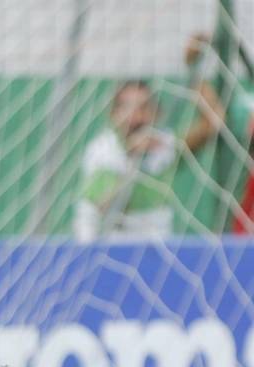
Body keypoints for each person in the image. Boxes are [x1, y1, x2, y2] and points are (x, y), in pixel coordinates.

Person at [75, 35, 222, 240]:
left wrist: (193, 68)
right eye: (126, 108)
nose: (135, 117)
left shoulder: (163, 147)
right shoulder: (102, 152)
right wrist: (132, 161)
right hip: (109, 252)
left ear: (157, 113)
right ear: (112, 115)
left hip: (158, 252)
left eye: (143, 107)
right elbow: (103, 207)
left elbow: (213, 122)